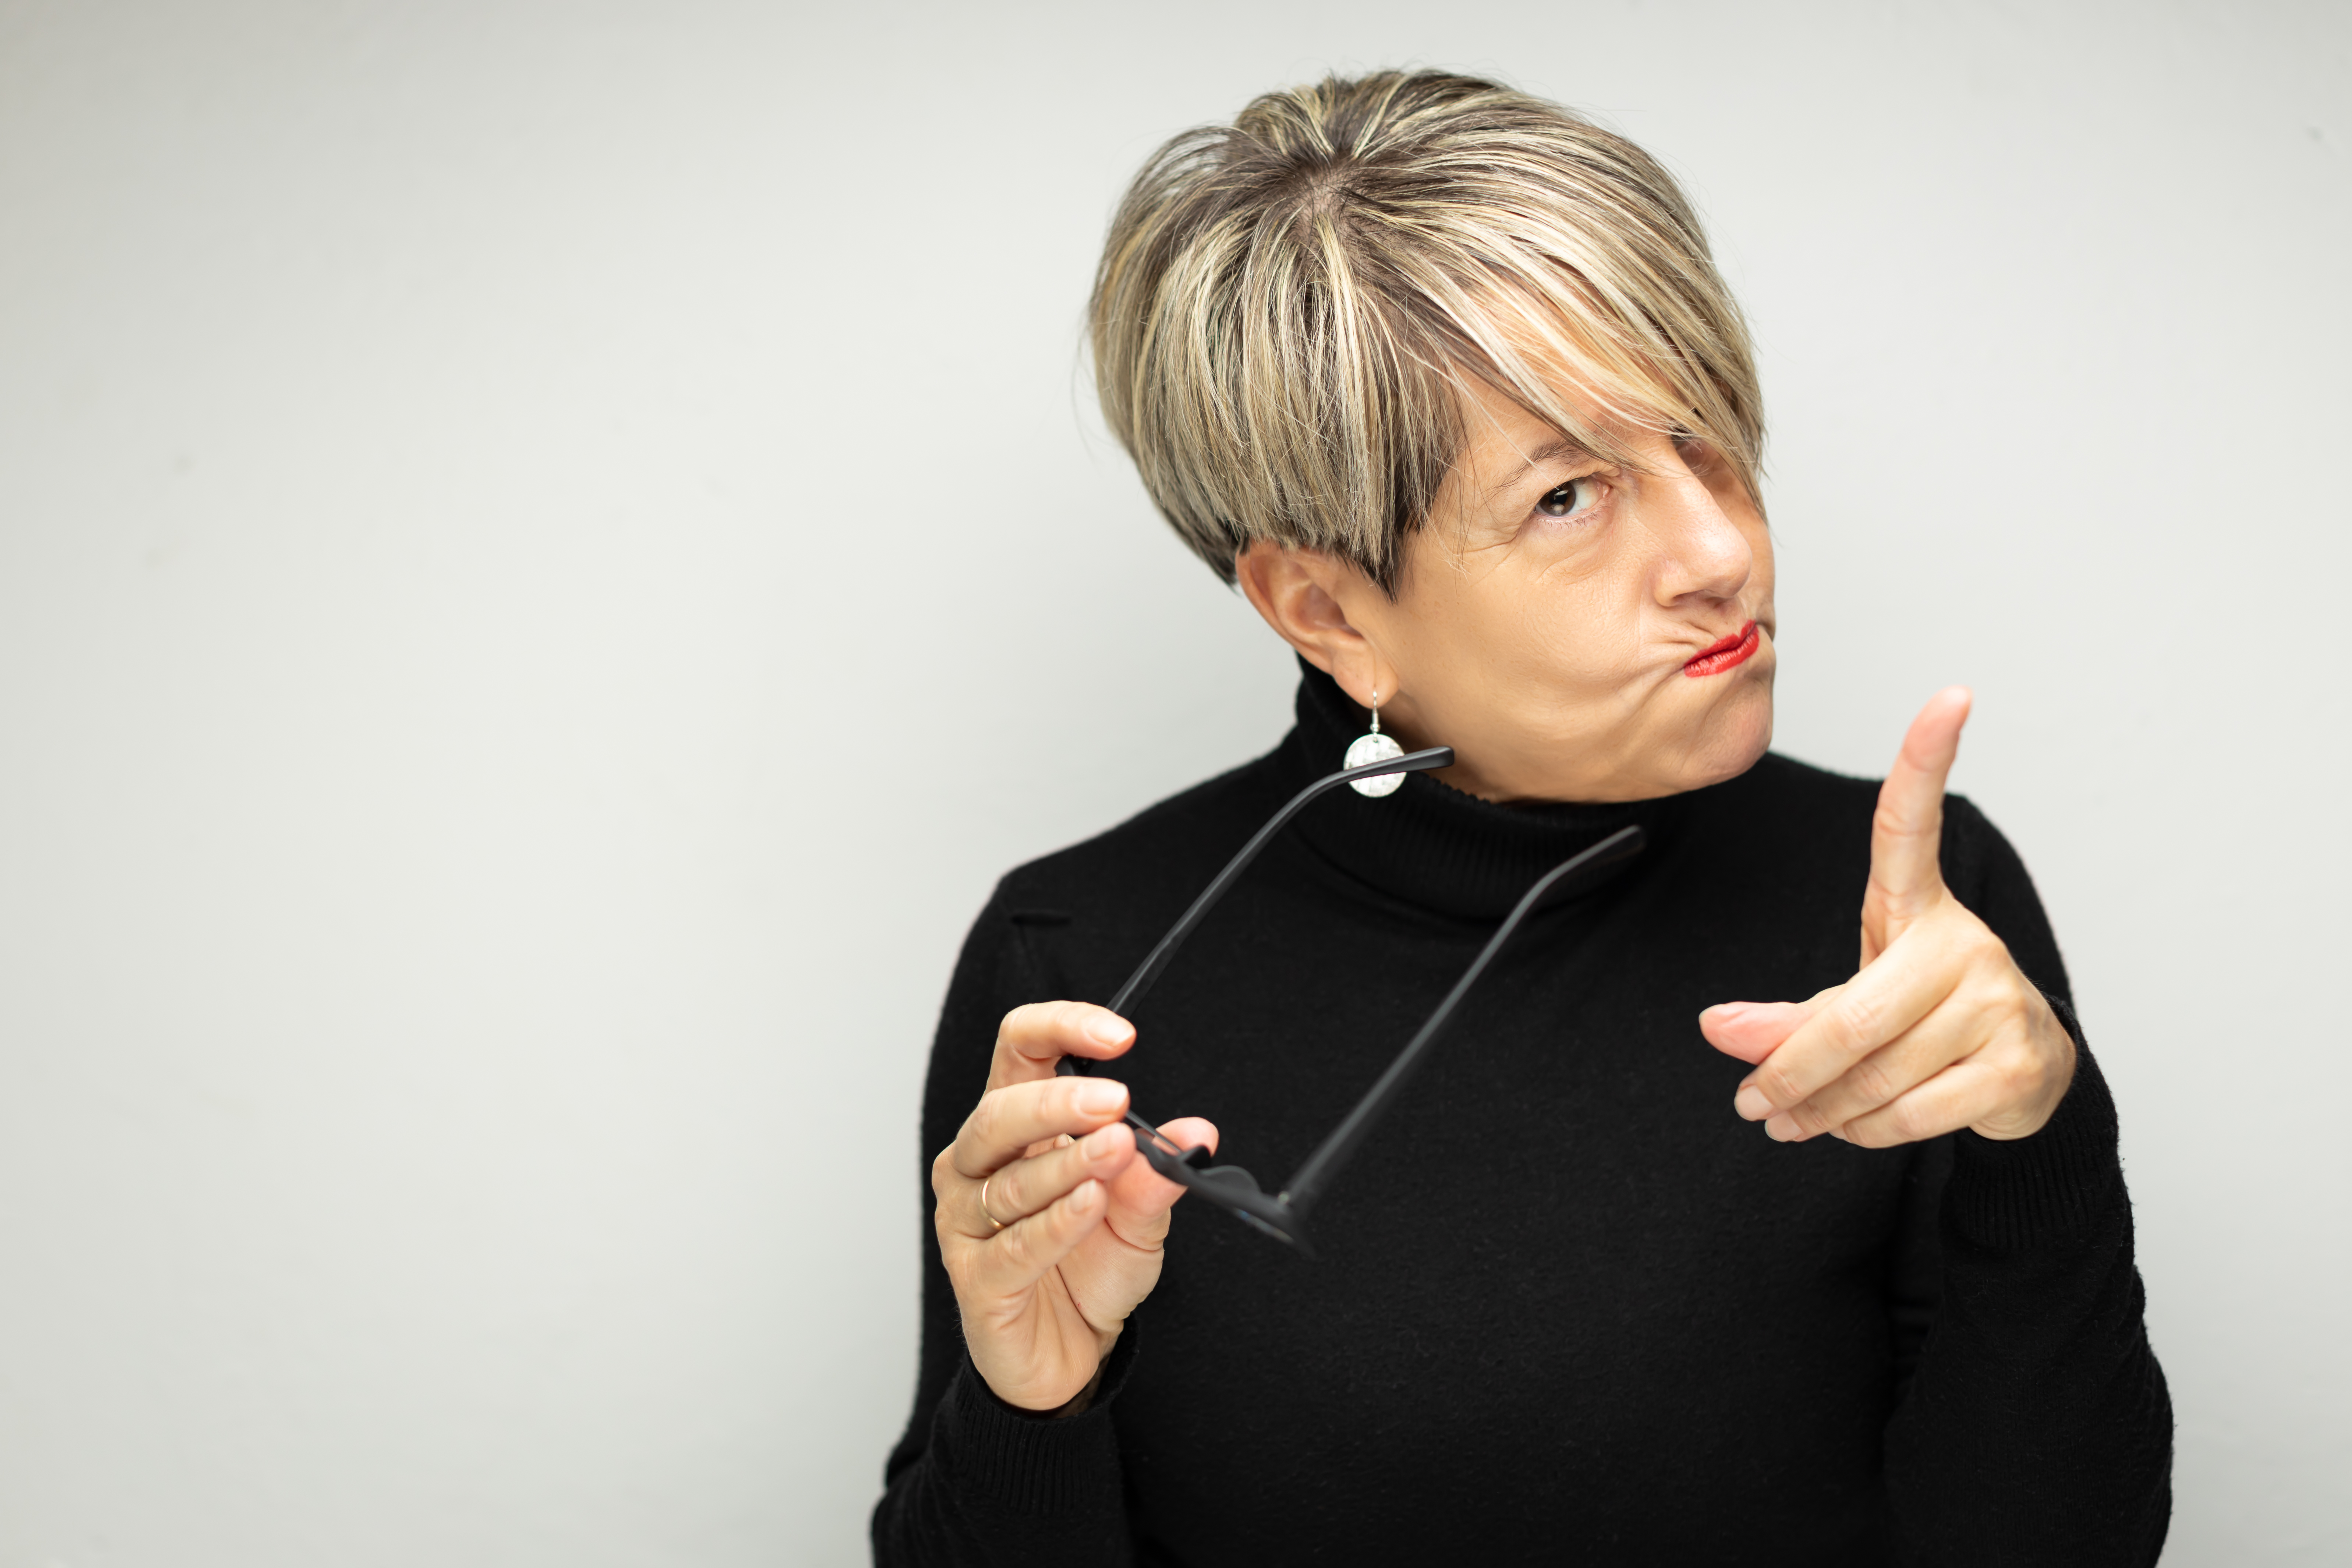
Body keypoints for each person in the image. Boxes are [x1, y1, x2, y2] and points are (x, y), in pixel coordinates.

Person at [872, 70, 2171, 1565]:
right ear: (1326, 608)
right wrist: (1029, 1403)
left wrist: (2038, 1140)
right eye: (1567, 496)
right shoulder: (1077, 970)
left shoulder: (1905, 916)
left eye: (1703, 436)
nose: (1718, 547)